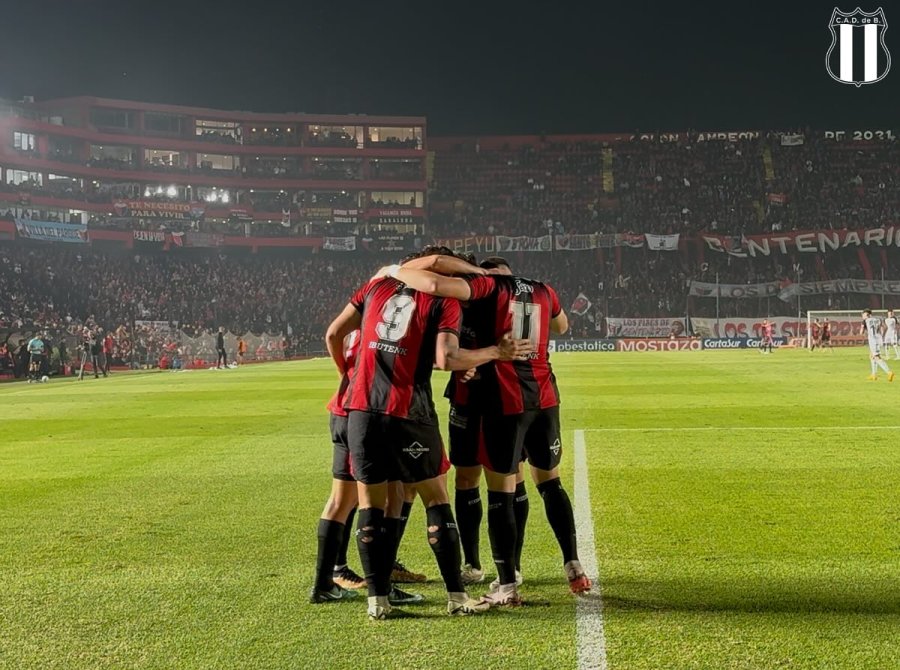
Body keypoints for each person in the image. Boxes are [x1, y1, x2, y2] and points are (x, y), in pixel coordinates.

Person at [325, 251, 531, 620]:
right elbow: (445, 358)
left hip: (360, 408)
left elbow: (334, 333)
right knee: (436, 498)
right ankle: (457, 596)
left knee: (371, 505)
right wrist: (494, 352)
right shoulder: (442, 300)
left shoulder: (375, 287)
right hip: (409, 411)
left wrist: (348, 377)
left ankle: (378, 602)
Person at [393, 254, 592, 606]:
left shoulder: (488, 287)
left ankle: (507, 586)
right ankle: (573, 565)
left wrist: (396, 271)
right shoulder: (543, 289)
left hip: (507, 401)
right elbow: (562, 326)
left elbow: (436, 284)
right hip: (545, 399)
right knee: (550, 483)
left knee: (501, 492)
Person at [862, 309, 894, 381]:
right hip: (878, 339)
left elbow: (861, 331)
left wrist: (866, 333)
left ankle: (889, 372)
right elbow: (885, 327)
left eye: (863, 315)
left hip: (873, 341)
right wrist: (882, 335)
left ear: (868, 315)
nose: (862, 316)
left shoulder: (865, 321)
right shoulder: (878, 319)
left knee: (876, 357)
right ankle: (874, 375)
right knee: (871, 355)